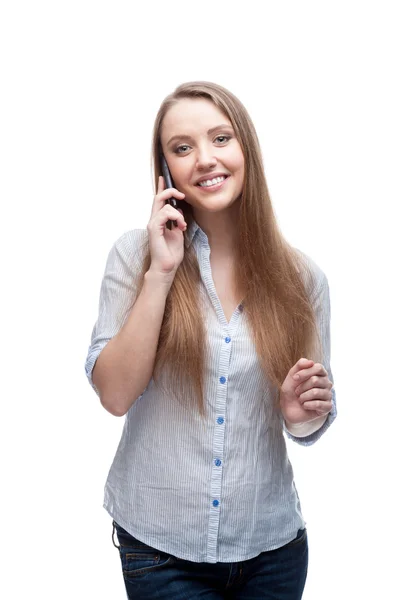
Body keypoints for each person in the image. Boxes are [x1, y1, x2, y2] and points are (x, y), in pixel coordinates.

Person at [85, 81, 337, 599]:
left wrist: (300, 414)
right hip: (160, 551)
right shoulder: (135, 259)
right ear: (165, 170)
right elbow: (114, 395)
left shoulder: (302, 280)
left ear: (246, 148)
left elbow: (311, 421)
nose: (204, 159)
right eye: (182, 147)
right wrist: (162, 271)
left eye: (221, 138)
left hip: (272, 552)